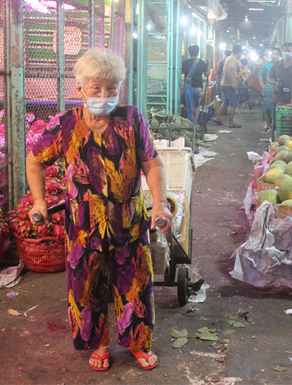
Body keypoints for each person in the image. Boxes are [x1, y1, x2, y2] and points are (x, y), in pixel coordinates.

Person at [26, 48, 173, 372]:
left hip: (129, 221)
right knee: (86, 286)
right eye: (97, 88)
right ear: (79, 89)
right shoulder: (65, 124)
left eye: (112, 89)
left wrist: (159, 203)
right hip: (83, 224)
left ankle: (137, 342)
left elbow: (152, 161)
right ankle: (99, 343)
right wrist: (39, 201)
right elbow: (35, 160)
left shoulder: (131, 119)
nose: (105, 95)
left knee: (135, 281)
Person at [211, 44, 243, 128]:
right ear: (239, 52)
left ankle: (217, 118)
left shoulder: (228, 57)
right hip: (228, 85)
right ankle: (231, 123)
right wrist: (233, 83)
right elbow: (229, 71)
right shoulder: (233, 59)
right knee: (233, 104)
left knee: (225, 102)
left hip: (223, 84)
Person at [182, 44, 209, 124]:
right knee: (197, 105)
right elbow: (207, 74)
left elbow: (179, 72)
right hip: (198, 88)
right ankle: (195, 122)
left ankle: (189, 122)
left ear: (189, 53)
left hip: (188, 88)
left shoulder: (185, 63)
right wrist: (209, 63)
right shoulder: (202, 63)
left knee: (189, 104)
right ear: (198, 52)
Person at [259, 47, 281, 132]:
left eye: (276, 54)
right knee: (267, 108)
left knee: (276, 109)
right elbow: (260, 74)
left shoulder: (281, 65)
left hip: (278, 91)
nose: (274, 56)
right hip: (268, 90)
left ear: (279, 55)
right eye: (273, 54)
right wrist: (262, 84)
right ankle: (269, 126)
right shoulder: (267, 65)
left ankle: (276, 127)